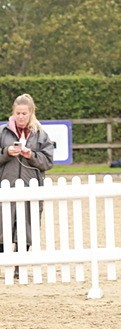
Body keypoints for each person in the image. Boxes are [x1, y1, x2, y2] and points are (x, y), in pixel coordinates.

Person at [0, 94, 55, 252]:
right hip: (5, 187)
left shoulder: (41, 135)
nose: (21, 117)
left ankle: (19, 268)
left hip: (30, 188)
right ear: (13, 112)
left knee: (26, 231)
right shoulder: (2, 132)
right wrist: (6, 152)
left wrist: (31, 155)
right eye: (18, 113)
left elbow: (48, 161)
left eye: (24, 113)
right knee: (2, 228)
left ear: (31, 112)